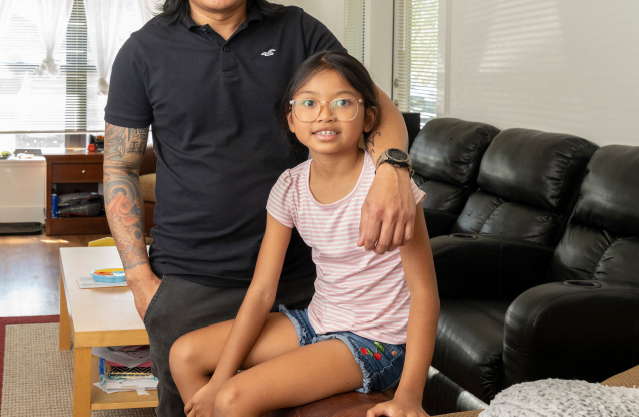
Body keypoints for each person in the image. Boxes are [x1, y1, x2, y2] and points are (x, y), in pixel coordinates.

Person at [103, 0, 418, 417]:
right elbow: (119, 167)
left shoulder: (298, 31)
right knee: (192, 408)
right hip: (189, 281)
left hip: (303, 278)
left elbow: (376, 107)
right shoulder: (143, 51)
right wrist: (140, 280)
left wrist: (393, 171)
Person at [169, 51, 439, 417]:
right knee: (184, 355)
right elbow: (262, 290)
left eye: (343, 102)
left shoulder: (389, 189)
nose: (325, 114)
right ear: (291, 120)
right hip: (316, 321)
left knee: (234, 398)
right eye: (309, 103)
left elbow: (425, 293)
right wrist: (218, 378)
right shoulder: (290, 187)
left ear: (369, 118)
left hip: (377, 342)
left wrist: (410, 395)